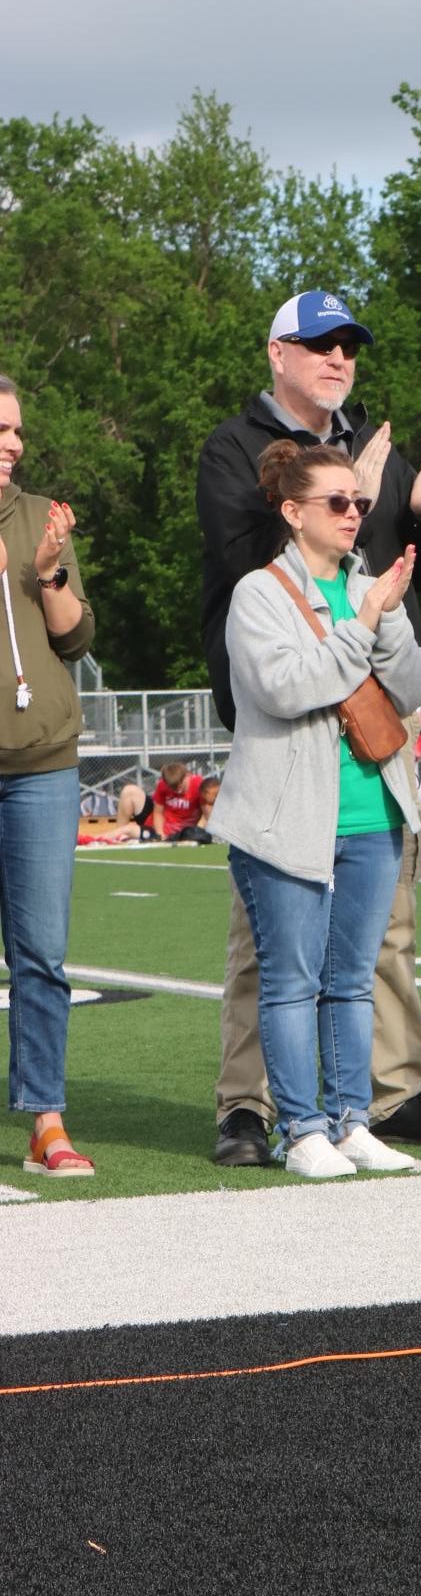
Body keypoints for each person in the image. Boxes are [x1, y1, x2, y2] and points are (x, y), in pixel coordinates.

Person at [197, 288, 421, 1163]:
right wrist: (345, 498)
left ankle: (380, 1096)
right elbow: (246, 559)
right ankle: (255, 1109)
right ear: (277, 354)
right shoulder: (233, 448)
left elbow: (414, 573)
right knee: (272, 944)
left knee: (381, 934)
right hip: (283, 723)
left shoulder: (376, 448)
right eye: (319, 344)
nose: (338, 359)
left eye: (349, 347)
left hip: (369, 717)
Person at [207, 441, 421, 1177]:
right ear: (292, 512)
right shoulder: (259, 594)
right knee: (290, 979)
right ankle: (300, 1128)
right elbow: (288, 686)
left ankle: (351, 1120)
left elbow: (414, 687)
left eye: (359, 503)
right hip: (287, 819)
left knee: (352, 978)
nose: (353, 515)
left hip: (373, 810)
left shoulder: (370, 586)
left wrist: (386, 617)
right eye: (336, 502)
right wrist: (364, 619)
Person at [0, 376, 97, 1177]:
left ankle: (46, 1121)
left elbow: (74, 640)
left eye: (17, 430)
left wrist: (50, 574)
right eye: (0, 428)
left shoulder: (42, 517)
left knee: (42, 952)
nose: (14, 442)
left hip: (42, 767)